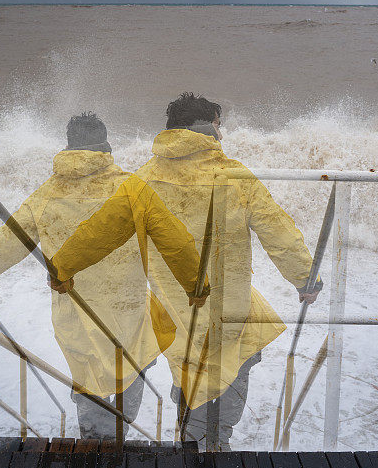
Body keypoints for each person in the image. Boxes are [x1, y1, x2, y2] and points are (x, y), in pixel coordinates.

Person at [0, 112, 203, 439]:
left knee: (88, 377)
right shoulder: (132, 189)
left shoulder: (46, 194)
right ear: (107, 147)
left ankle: (91, 444)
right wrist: (195, 287)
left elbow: (9, 240)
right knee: (134, 369)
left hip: (74, 314)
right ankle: (118, 437)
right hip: (129, 311)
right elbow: (174, 243)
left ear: (69, 147)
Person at [135, 92, 322, 449]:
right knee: (238, 359)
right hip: (229, 304)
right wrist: (305, 278)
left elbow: (112, 239)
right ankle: (215, 441)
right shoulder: (234, 175)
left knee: (189, 366)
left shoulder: (141, 181)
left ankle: (191, 439)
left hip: (175, 307)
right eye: (219, 127)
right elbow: (276, 229)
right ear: (210, 129)